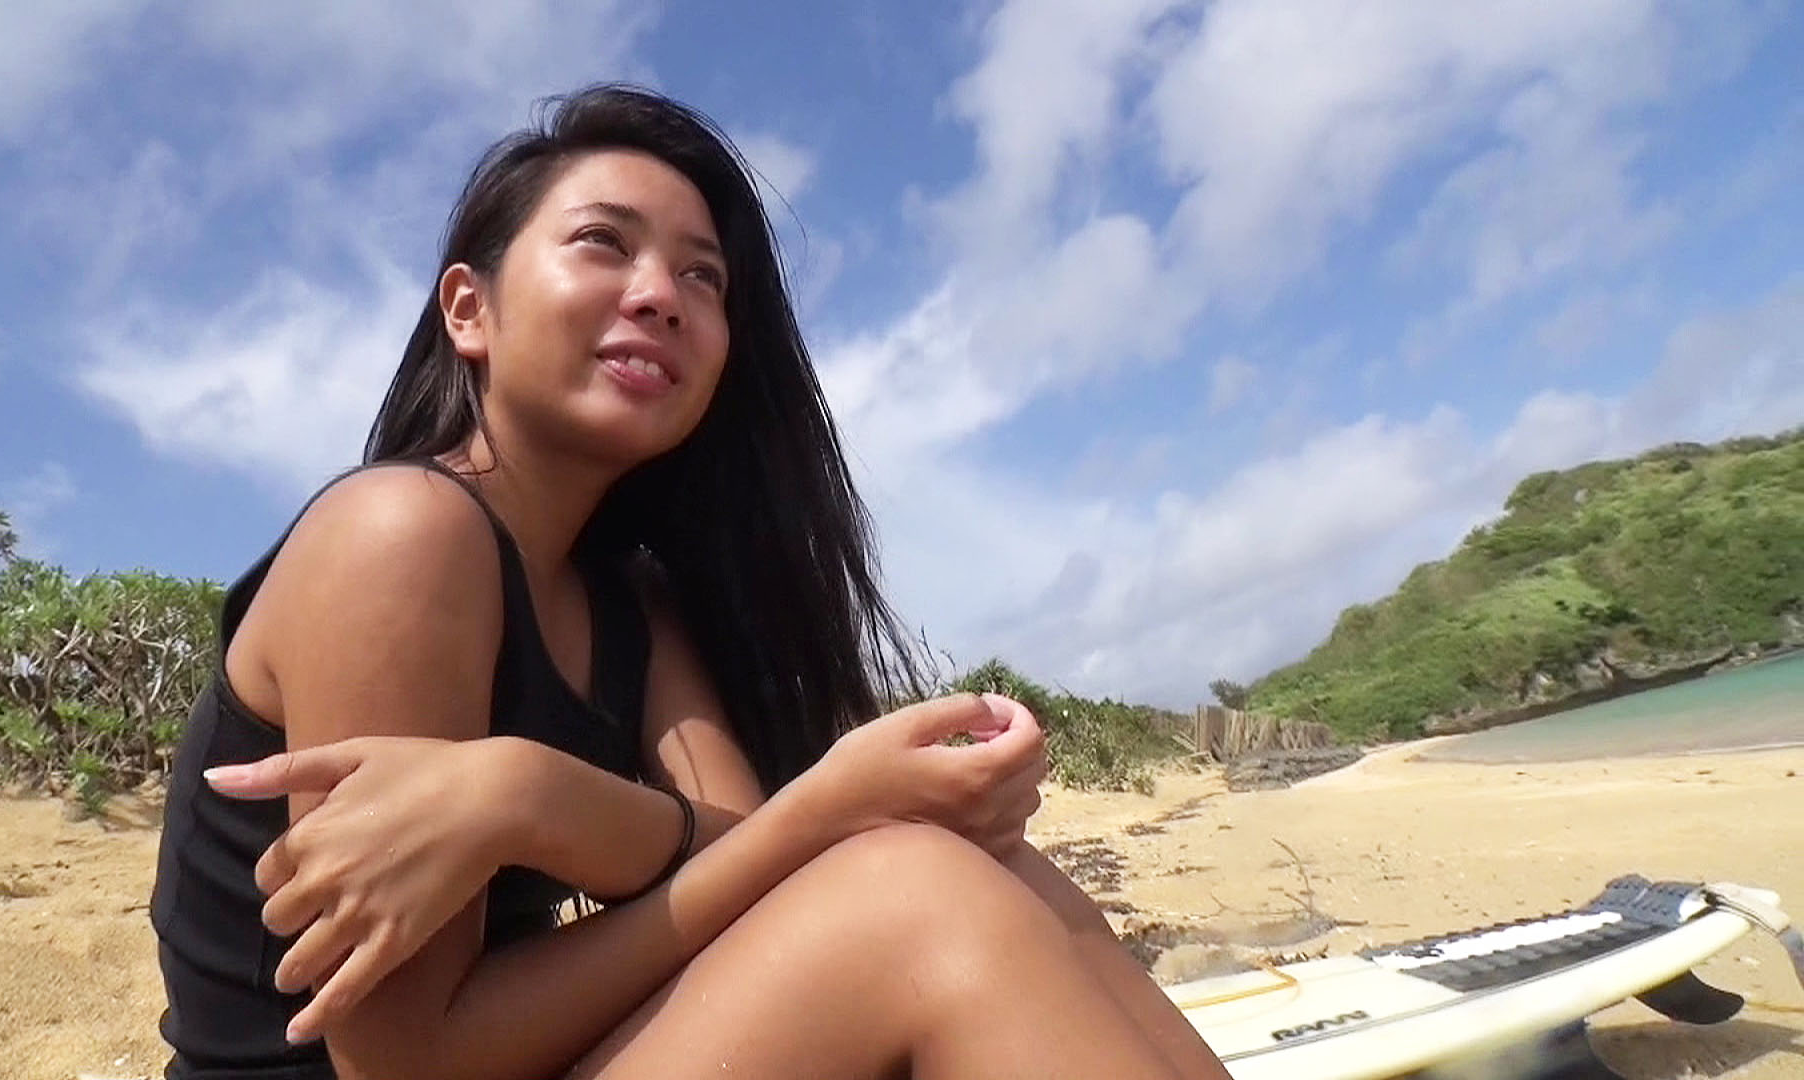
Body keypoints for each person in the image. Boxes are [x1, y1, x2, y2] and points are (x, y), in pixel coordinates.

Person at [152, 84, 1230, 1080]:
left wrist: (529, 799)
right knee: (919, 900)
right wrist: (770, 812)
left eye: (702, 277)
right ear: (469, 310)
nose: (660, 296)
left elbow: (750, 863)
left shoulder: (630, 602)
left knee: (978, 858)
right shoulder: (398, 533)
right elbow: (402, 1064)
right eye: (603, 243)